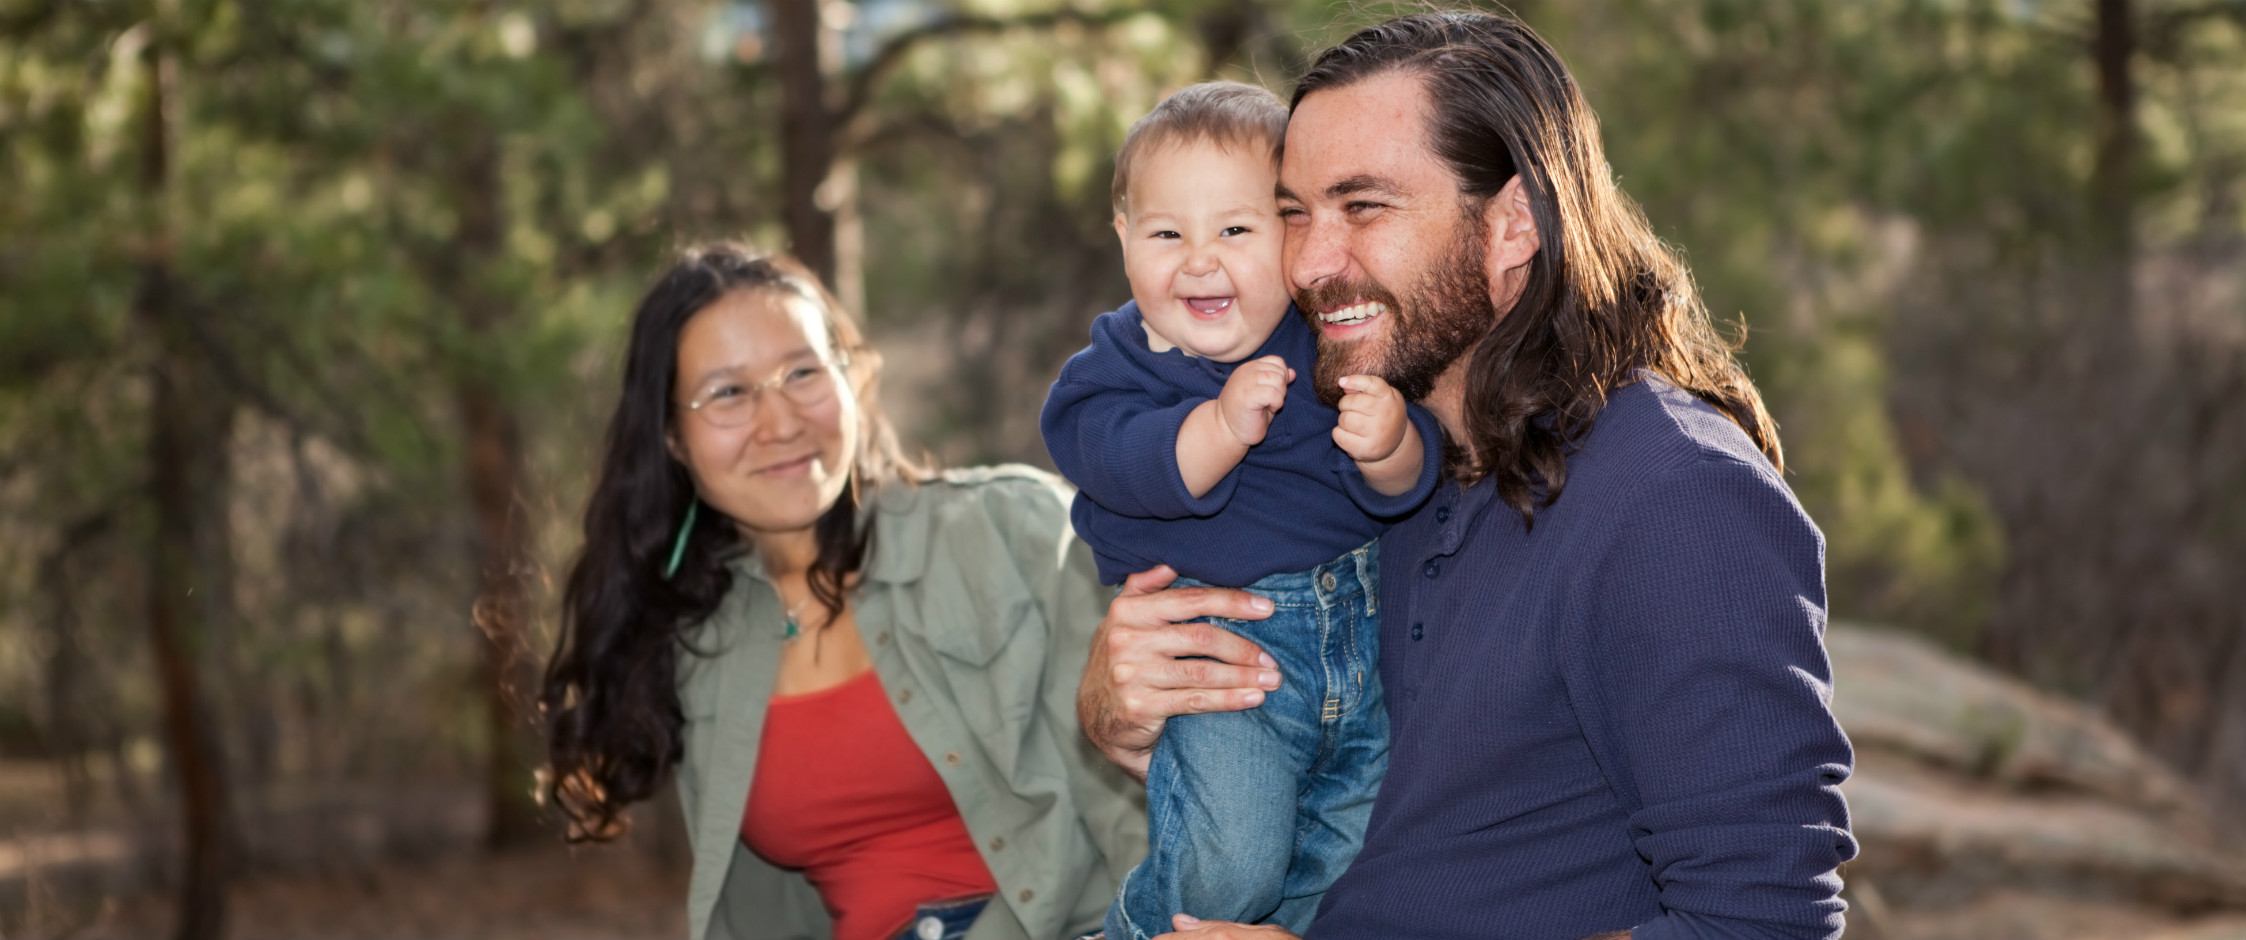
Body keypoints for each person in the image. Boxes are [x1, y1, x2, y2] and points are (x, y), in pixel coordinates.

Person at [1077, 12, 1858, 940]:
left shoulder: (1671, 497)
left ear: (1514, 223)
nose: (1312, 262)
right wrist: (1124, 711)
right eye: (1293, 212)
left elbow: (1762, 925)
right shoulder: (1368, 467)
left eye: (1364, 207)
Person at [539, 244, 1144, 940]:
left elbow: (1150, 795)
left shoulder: (1012, 529)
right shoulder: (698, 644)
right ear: (672, 437)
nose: (782, 422)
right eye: (730, 392)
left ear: (848, 378)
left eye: (802, 371)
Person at [1039, 83, 1441, 940]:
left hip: (1363, 644)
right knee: (1233, 861)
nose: (1198, 259)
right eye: (1165, 233)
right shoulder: (1113, 373)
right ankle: (1139, 931)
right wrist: (1217, 426)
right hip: (1230, 664)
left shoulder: (1330, 338)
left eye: (1234, 229)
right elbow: (1125, 466)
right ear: (1123, 240)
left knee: (1348, 861)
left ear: (1291, 237)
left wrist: (1390, 446)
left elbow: (1412, 481)